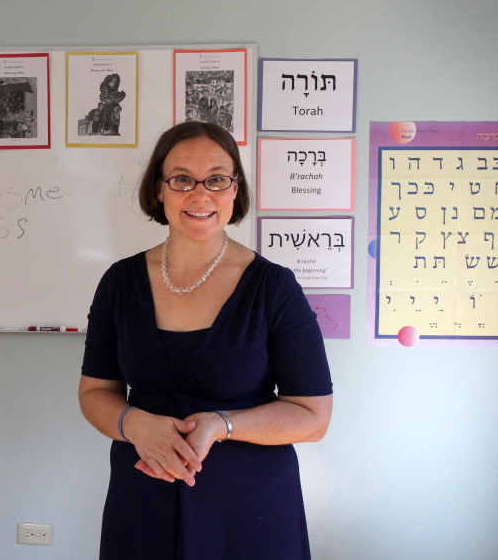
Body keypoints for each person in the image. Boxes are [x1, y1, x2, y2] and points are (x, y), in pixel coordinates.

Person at [78, 121, 333, 559]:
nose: (200, 195)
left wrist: (221, 424)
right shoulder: (119, 283)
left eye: (216, 179)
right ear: (159, 189)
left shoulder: (274, 287)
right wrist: (133, 423)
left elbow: (313, 417)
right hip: (143, 501)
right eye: (182, 179)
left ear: (235, 189)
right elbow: (95, 392)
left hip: (249, 513)